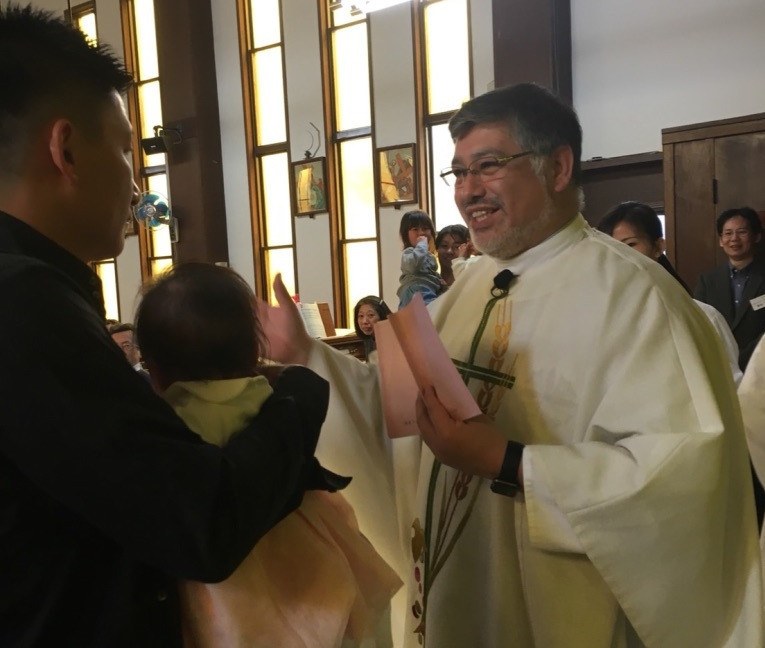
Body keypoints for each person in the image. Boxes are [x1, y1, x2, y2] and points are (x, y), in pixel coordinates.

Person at [259, 83, 762, 648]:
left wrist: (510, 462)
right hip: (453, 601)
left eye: (489, 165)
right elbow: (396, 407)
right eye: (458, 172)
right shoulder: (469, 285)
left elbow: (681, 481)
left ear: (559, 167)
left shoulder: (637, 297)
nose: (468, 190)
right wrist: (307, 355)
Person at [0, 6, 330, 646]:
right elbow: (200, 523)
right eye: (126, 149)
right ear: (66, 150)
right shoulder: (23, 302)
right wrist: (298, 392)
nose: (135, 184)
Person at [135, 263, 402, 648]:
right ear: (253, 351)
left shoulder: (167, 423)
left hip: (230, 584)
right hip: (308, 548)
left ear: (153, 369)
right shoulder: (276, 395)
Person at [597, 201, 742, 384]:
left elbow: (730, 385)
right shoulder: (602, 322)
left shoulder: (703, 317)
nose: (621, 255)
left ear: (658, 246)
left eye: (630, 244)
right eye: (611, 248)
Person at [695, 206, 765, 371]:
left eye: (742, 232)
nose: (734, 238)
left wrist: (743, 359)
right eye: (727, 233)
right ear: (721, 240)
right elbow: (699, 322)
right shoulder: (708, 281)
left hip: (760, 365)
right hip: (719, 366)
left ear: (756, 236)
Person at [396, 210, 442, 308]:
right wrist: (421, 244)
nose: (421, 233)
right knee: (432, 313)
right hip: (414, 290)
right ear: (406, 234)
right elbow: (414, 265)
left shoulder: (430, 256)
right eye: (415, 229)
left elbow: (431, 275)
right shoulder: (408, 253)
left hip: (428, 290)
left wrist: (440, 281)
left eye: (425, 228)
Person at [353, 295, 392, 362]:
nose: (364, 321)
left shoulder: (392, 340)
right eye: (361, 316)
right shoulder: (369, 338)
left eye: (371, 315)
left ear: (382, 317)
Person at [435, 224, 469, 288]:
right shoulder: (428, 284)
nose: (449, 251)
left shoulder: (473, 285)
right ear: (437, 249)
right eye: (444, 246)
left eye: (457, 247)